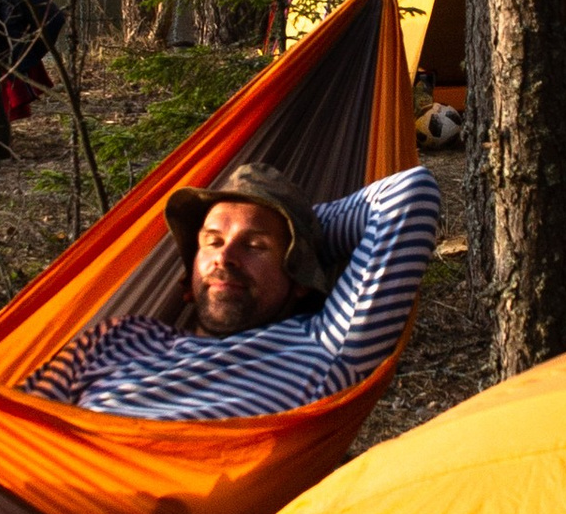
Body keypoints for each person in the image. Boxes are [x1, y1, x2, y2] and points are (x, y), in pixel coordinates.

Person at [29, 157, 441, 419]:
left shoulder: (328, 346)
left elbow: (410, 194)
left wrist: (306, 237)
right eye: (212, 241)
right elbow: (9, 423)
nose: (225, 258)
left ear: (298, 279)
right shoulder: (120, 336)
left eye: (255, 245)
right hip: (43, 499)